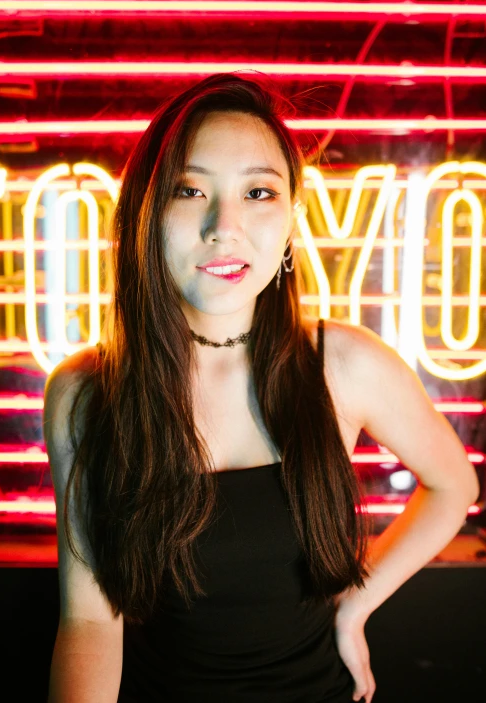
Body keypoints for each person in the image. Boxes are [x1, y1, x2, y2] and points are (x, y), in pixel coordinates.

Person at [44, 72, 480, 703]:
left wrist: (354, 609)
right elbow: (88, 623)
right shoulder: (86, 393)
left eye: (258, 192)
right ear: (147, 212)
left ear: (290, 225)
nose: (226, 225)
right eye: (191, 189)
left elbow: (453, 486)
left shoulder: (344, 364)